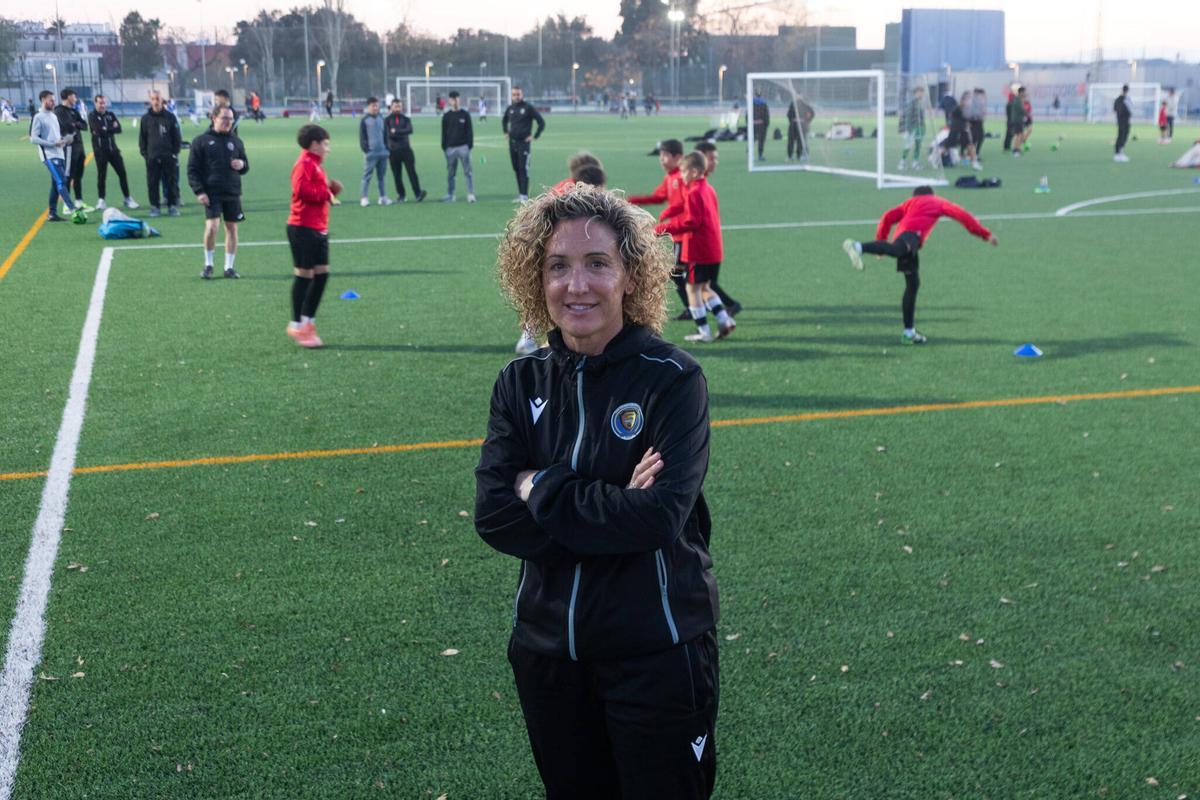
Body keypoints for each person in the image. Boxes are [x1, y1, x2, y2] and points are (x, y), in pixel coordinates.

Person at [477, 185, 720, 800]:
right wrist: (613, 505)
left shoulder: (674, 379)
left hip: (655, 652)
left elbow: (659, 520)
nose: (576, 285)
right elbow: (495, 515)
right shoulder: (518, 381)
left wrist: (542, 484)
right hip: (547, 653)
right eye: (557, 266)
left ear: (631, 277)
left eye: (597, 264)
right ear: (535, 280)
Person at [841, 185, 998, 345]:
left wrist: (881, 243)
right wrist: (985, 234)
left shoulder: (909, 203)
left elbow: (888, 216)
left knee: (913, 284)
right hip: (911, 236)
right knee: (898, 251)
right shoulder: (937, 202)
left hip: (905, 237)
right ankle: (858, 247)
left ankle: (909, 333)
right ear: (932, 194)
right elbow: (962, 215)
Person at [656, 151, 734, 343]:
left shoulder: (693, 192)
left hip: (698, 250)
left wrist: (662, 228)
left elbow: (692, 222)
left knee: (692, 289)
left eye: (683, 171)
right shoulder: (708, 189)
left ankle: (704, 332)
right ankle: (725, 320)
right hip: (714, 249)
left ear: (694, 171)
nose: (681, 176)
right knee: (705, 287)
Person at [287, 124, 342, 348]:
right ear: (314, 144)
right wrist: (328, 192)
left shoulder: (316, 165)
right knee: (304, 277)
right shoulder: (304, 164)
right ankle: (297, 325)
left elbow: (317, 191)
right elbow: (301, 191)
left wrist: (330, 190)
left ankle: (308, 322)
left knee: (322, 276)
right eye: (325, 144)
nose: (328, 149)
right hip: (302, 227)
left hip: (318, 228)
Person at [628, 139, 689, 319]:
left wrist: (661, 228)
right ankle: (697, 306)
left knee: (680, 273)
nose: (661, 160)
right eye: (660, 156)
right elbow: (659, 197)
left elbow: (685, 210)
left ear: (678, 157)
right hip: (678, 234)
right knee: (684, 274)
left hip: (685, 234)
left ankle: (697, 308)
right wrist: (632, 200)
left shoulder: (681, 178)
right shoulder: (670, 177)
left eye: (665, 156)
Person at [187, 105, 249, 280]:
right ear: (214, 118)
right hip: (211, 192)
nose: (228, 122)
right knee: (212, 228)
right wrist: (199, 191)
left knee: (232, 228)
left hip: (232, 191)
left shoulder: (236, 141)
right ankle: (208, 265)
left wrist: (241, 165)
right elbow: (192, 170)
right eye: (224, 118)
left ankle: (229, 268)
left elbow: (245, 165)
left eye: (230, 118)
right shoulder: (201, 141)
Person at [693, 141, 740, 316]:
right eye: (711, 158)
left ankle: (715, 314)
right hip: (702, 242)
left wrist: (661, 229)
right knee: (698, 282)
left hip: (699, 243)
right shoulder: (696, 184)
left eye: (715, 159)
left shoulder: (700, 187)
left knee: (697, 283)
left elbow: (691, 219)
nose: (715, 162)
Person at [29, 90, 83, 223]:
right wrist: (53, 143)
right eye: (51, 100)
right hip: (48, 155)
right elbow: (33, 139)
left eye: (54, 100)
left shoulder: (53, 116)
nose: (53, 102)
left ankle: (52, 214)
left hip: (60, 153)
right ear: (43, 100)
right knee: (61, 181)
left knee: (56, 183)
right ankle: (72, 208)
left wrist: (65, 140)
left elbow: (56, 137)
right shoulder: (38, 117)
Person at [88, 94, 138, 210]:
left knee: (122, 173)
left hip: (113, 150)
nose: (102, 105)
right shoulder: (92, 116)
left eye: (104, 103)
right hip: (100, 151)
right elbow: (98, 131)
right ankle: (101, 200)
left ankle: (127, 198)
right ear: (95, 103)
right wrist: (110, 128)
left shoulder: (110, 115)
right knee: (102, 175)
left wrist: (107, 129)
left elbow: (119, 129)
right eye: (100, 103)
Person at [139, 90, 183, 217]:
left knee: (171, 182)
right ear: (150, 100)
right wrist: (146, 155)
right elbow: (142, 139)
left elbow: (177, 137)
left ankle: (172, 206)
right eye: (153, 99)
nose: (155, 101)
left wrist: (175, 153)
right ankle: (155, 207)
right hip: (152, 157)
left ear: (161, 100)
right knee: (152, 183)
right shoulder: (145, 119)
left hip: (168, 156)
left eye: (157, 99)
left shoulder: (170, 117)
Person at [502, 86, 545, 203]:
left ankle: (524, 195)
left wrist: (534, 136)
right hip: (512, 143)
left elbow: (541, 122)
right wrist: (505, 132)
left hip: (524, 144)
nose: (516, 96)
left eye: (518, 94)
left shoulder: (528, 108)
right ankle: (520, 194)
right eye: (514, 94)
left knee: (523, 169)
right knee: (516, 169)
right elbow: (504, 120)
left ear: (522, 94)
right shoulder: (510, 108)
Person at [384, 98, 427, 203]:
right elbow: (388, 134)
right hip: (393, 151)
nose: (398, 108)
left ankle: (418, 193)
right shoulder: (387, 120)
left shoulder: (406, 119)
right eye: (395, 106)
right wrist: (400, 133)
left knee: (412, 172)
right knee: (397, 175)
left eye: (399, 106)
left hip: (406, 150)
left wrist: (396, 131)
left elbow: (410, 130)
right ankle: (401, 195)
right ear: (391, 107)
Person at [54, 88, 90, 213]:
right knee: (67, 175)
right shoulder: (59, 110)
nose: (75, 98)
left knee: (78, 175)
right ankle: (67, 205)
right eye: (74, 96)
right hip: (69, 147)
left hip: (79, 146)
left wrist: (76, 124)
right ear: (68, 97)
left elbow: (84, 125)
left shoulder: (74, 111)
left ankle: (79, 201)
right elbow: (67, 125)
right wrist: (76, 124)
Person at [441, 91, 475, 203]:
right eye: (452, 99)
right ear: (449, 100)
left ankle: (470, 194)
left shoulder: (465, 114)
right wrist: (445, 147)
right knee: (451, 173)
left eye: (456, 98)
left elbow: (470, 131)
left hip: (463, 148)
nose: (455, 101)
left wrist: (469, 146)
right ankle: (451, 194)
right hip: (450, 149)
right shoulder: (446, 116)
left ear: (459, 100)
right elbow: (444, 133)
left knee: (468, 172)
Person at [358, 97, 392, 206]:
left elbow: (386, 135)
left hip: (383, 153)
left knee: (381, 177)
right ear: (368, 107)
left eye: (377, 105)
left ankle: (382, 197)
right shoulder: (364, 120)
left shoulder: (382, 118)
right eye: (373, 105)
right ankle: (364, 198)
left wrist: (387, 149)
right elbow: (362, 137)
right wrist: (366, 151)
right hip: (371, 154)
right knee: (367, 176)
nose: (375, 107)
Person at [899, 86, 927, 170]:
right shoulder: (912, 103)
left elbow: (922, 117)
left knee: (918, 145)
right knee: (908, 145)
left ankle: (915, 163)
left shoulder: (921, 103)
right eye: (919, 92)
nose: (921, 94)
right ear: (915, 93)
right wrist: (907, 129)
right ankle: (902, 162)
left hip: (920, 127)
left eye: (922, 92)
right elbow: (908, 116)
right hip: (913, 127)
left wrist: (923, 127)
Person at [786, 96, 813, 162]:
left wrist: (806, 121)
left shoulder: (805, 104)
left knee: (801, 141)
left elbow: (811, 113)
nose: (798, 97)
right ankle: (789, 156)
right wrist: (792, 121)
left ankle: (799, 155)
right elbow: (789, 114)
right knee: (791, 140)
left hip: (802, 125)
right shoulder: (793, 104)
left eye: (799, 95)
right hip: (793, 125)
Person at [1113, 84, 1132, 162]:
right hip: (1125, 121)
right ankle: (1120, 154)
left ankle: (1118, 154)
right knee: (1123, 136)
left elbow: (1114, 109)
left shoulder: (1117, 99)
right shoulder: (1126, 100)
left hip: (1119, 120)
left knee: (1120, 136)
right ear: (1127, 91)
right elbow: (1130, 110)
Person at [1003, 85, 1023, 153]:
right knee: (1010, 134)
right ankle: (1008, 146)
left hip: (1009, 120)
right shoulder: (1011, 104)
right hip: (1011, 120)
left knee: (1009, 134)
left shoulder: (1009, 104)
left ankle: (1007, 146)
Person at [752, 92, 769, 160]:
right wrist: (766, 124)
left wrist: (748, 123)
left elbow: (747, 115)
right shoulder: (764, 104)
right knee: (761, 141)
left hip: (753, 125)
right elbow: (766, 116)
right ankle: (760, 155)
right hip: (761, 125)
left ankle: (750, 153)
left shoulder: (751, 104)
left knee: (752, 140)